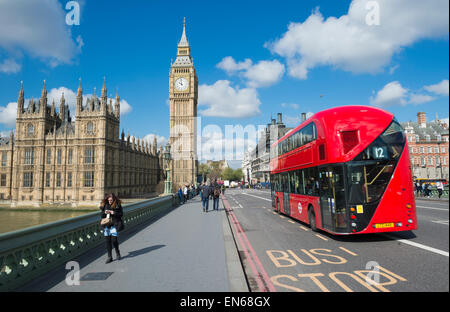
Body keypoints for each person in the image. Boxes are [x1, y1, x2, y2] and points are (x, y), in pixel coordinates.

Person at [100, 193, 124, 264]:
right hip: (107, 225)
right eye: (109, 200)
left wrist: (113, 212)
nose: (110, 201)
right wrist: (105, 212)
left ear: (114, 200)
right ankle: (109, 257)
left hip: (114, 224)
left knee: (114, 240)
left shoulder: (117, 205)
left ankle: (117, 253)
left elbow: (121, 214)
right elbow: (101, 215)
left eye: (111, 200)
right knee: (108, 241)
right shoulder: (105, 205)